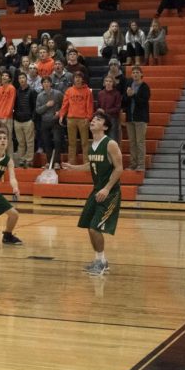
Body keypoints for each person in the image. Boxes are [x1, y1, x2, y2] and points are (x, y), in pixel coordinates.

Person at [61, 110, 123, 276]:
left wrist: (107, 188)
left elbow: (119, 168)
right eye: (93, 118)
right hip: (97, 190)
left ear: (105, 126)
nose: (93, 121)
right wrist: (73, 168)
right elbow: (91, 165)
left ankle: (102, 262)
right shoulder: (91, 145)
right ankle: (99, 260)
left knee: (95, 228)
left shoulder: (110, 144)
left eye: (98, 119)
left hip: (110, 192)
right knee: (89, 227)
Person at [59, 72, 94, 166]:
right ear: (73, 79)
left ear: (82, 79)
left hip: (83, 119)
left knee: (85, 142)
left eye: (79, 77)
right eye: (76, 77)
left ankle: (86, 162)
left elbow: (89, 105)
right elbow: (65, 104)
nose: (77, 79)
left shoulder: (87, 91)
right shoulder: (69, 90)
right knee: (72, 142)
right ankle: (71, 162)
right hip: (71, 119)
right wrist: (62, 115)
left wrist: (89, 117)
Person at [126, 66, 150, 171]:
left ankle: (141, 164)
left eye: (137, 72)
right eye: (133, 72)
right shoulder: (128, 85)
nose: (135, 74)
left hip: (140, 118)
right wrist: (127, 96)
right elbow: (125, 101)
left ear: (141, 74)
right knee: (132, 142)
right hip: (130, 117)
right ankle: (133, 164)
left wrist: (133, 95)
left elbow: (143, 102)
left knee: (140, 142)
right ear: (131, 75)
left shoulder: (145, 87)